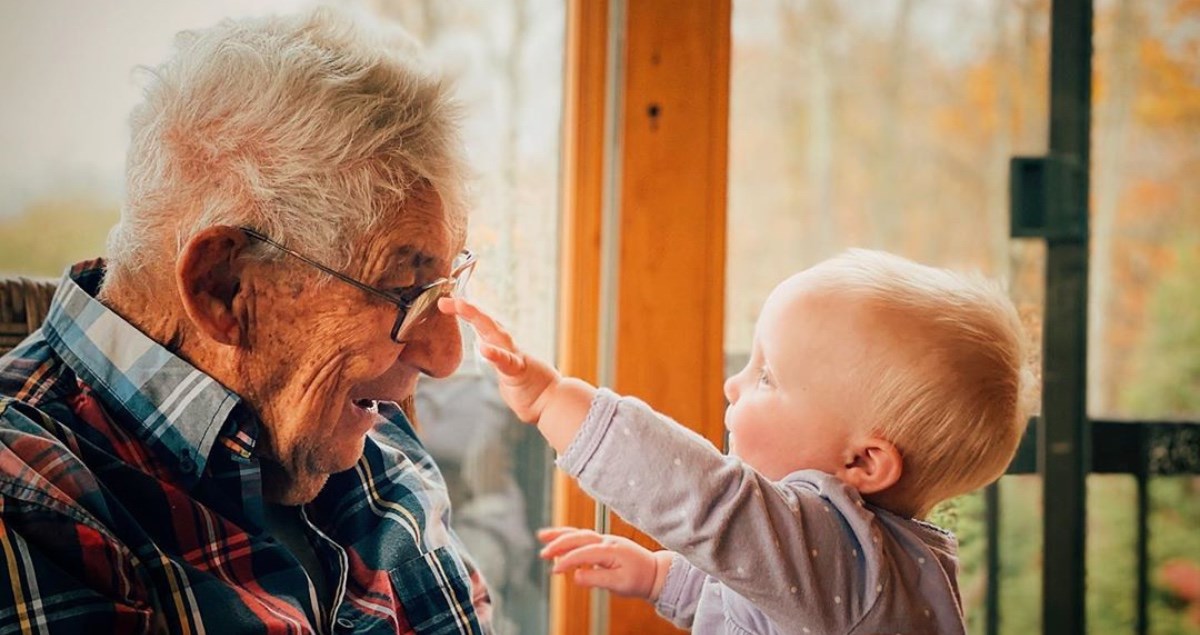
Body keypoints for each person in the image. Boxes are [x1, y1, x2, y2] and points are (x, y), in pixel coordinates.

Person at [0, 8, 494, 634]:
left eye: (446, 288)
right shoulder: (25, 501)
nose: (446, 355)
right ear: (225, 288)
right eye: (403, 293)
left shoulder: (363, 433)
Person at [443, 249, 1035, 634]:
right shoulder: (844, 565)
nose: (735, 384)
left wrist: (551, 399)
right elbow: (758, 590)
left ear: (863, 461)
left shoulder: (855, 565)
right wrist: (658, 576)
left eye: (767, 376)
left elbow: (709, 504)